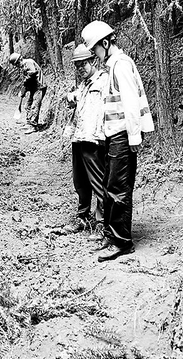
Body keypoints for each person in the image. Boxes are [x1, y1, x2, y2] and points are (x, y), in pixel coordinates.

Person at [81, 20, 154, 262]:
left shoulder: (121, 65)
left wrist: (134, 136)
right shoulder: (113, 65)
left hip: (123, 136)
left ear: (105, 43)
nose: (95, 55)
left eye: (95, 49)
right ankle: (111, 236)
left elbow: (131, 104)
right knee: (109, 186)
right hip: (114, 135)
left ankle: (122, 242)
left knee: (118, 189)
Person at [64, 44, 108, 234]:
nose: (80, 68)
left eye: (83, 63)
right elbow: (77, 99)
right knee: (80, 181)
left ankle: (103, 223)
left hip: (95, 139)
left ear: (93, 61)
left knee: (98, 182)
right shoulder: (83, 84)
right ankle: (82, 217)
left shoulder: (103, 80)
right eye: (77, 65)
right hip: (79, 137)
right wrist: (71, 96)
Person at [9, 53, 47, 132]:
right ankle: (29, 122)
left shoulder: (28, 62)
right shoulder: (23, 66)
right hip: (34, 88)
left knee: (34, 105)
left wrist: (25, 85)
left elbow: (32, 74)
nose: (17, 66)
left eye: (17, 64)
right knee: (27, 105)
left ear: (20, 60)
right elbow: (28, 80)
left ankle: (33, 125)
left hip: (39, 86)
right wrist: (24, 90)